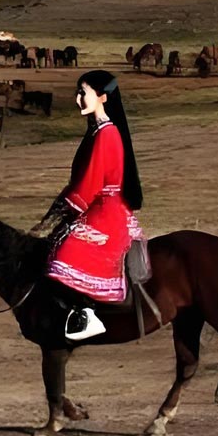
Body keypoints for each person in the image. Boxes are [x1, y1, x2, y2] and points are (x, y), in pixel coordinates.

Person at [41, 70, 144, 341]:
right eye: (77, 93)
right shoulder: (98, 131)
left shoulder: (106, 135)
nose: (77, 99)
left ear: (102, 97)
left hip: (105, 210)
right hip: (97, 206)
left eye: (82, 93)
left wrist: (66, 206)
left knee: (66, 256)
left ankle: (87, 314)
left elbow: (91, 183)